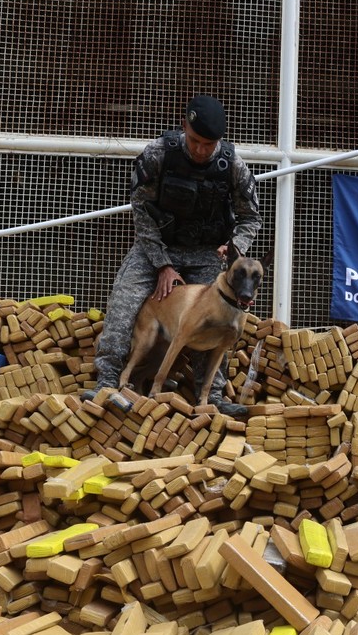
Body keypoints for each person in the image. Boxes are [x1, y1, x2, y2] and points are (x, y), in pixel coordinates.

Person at [93, 94, 261, 414]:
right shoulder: (157, 155)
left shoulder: (233, 166)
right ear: (184, 126)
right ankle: (108, 380)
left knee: (219, 311)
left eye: (209, 144)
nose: (200, 150)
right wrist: (162, 265)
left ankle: (210, 397)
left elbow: (251, 217)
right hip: (155, 247)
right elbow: (141, 212)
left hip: (207, 253)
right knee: (124, 299)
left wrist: (235, 247)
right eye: (196, 141)